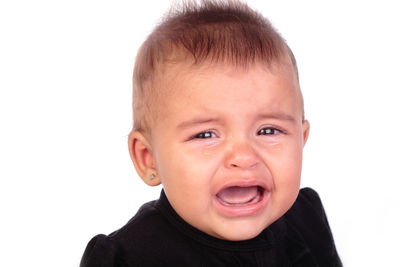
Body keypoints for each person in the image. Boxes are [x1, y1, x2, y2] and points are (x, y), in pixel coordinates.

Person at [80, 0, 342, 266]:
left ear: (301, 141)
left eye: (268, 130)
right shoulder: (128, 257)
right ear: (148, 158)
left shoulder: (305, 222)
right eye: (205, 135)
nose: (243, 156)